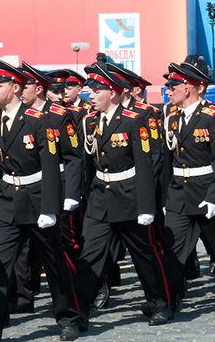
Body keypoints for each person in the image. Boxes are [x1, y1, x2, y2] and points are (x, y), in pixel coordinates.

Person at [0, 61, 81, 342]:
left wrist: (51, 207)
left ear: (14, 88)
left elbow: (51, 165)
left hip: (38, 199)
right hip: (8, 200)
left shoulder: (39, 120)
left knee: (54, 262)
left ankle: (69, 317)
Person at [72, 63, 173, 328]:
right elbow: (86, 165)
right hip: (100, 199)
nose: (90, 94)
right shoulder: (89, 122)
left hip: (130, 198)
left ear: (113, 93)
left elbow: (145, 164)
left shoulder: (133, 120)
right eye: (89, 89)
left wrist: (147, 206)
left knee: (144, 255)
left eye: (96, 89)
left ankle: (160, 303)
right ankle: (78, 312)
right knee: (89, 255)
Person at [159, 61, 215, 311]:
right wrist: (166, 197)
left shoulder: (213, 117)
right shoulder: (172, 118)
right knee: (173, 250)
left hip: (206, 193)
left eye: (172, 85)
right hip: (179, 194)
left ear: (188, 88)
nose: (168, 90)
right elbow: (167, 160)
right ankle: (167, 301)